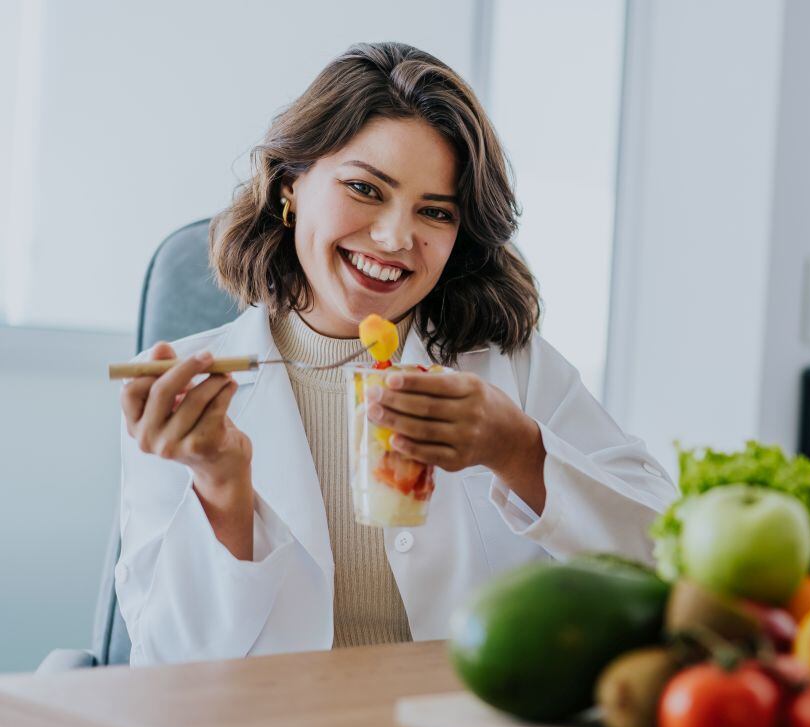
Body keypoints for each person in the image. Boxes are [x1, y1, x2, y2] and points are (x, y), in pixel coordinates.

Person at [116, 42, 675, 666]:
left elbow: (666, 559)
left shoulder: (507, 366)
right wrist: (220, 483)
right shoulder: (190, 392)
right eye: (364, 188)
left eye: (434, 212)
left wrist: (516, 450)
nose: (394, 238)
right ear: (290, 185)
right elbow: (165, 664)